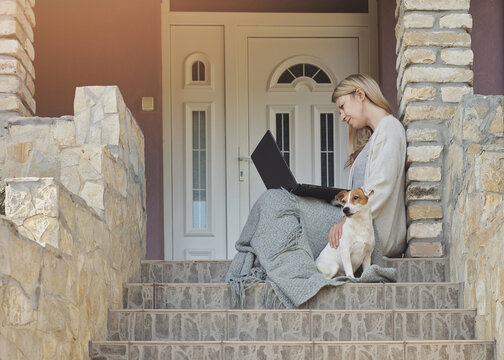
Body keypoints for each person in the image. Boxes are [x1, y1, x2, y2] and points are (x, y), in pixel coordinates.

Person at [226, 73, 406, 309]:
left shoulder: (389, 128)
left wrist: (344, 219)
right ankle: (288, 269)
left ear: (360, 95)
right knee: (280, 199)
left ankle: (293, 277)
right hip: (357, 223)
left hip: (370, 231)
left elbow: (379, 189)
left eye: (342, 107)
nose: (341, 117)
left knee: (275, 200)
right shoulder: (374, 137)